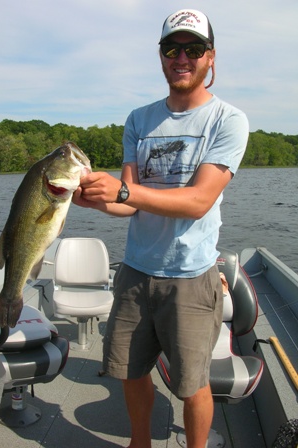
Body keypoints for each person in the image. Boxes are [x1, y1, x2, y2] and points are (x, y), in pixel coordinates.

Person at [72, 8, 249, 448]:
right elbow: (128, 203)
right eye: (172, 48)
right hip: (135, 273)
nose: (181, 57)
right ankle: (140, 443)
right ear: (161, 56)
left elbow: (198, 201)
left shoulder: (228, 120)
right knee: (129, 374)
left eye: (193, 48)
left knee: (192, 385)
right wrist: (97, 200)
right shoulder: (139, 119)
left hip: (191, 279)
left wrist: (123, 193)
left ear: (210, 57)